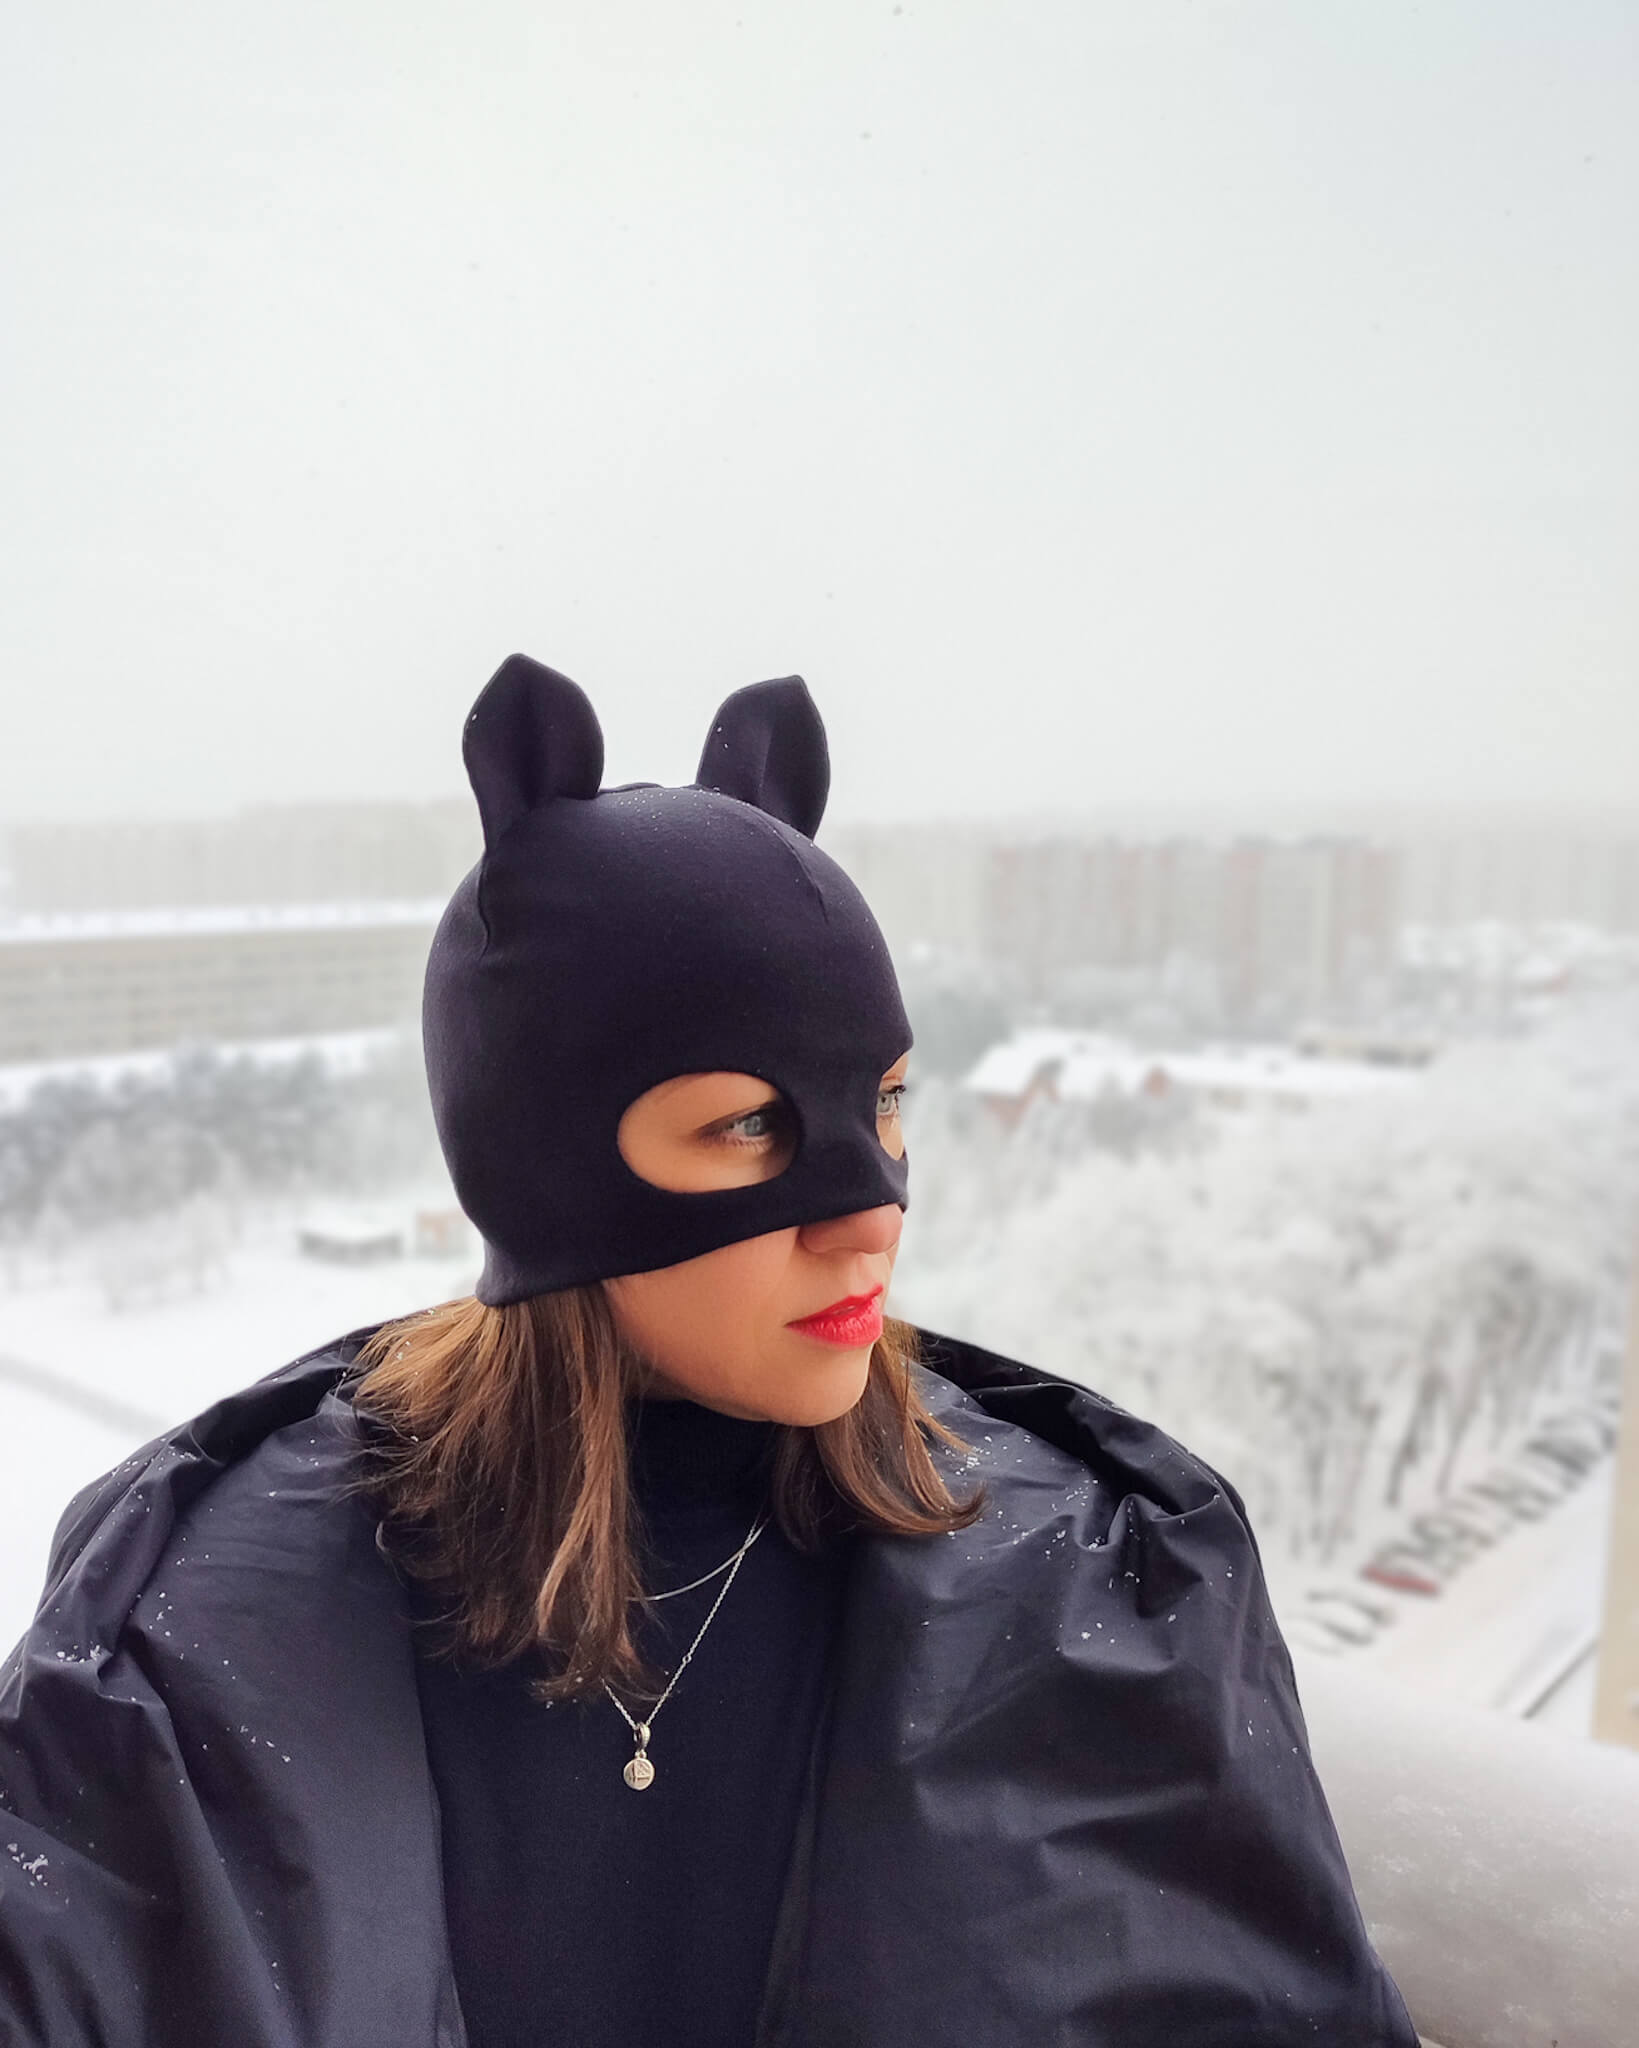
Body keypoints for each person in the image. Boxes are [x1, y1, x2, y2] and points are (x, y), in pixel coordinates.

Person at [0, 655, 1418, 2047]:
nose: (871, 1215)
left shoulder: (1111, 1588)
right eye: (750, 1124)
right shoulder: (188, 1624)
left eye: (885, 1104)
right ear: (541, 1168)